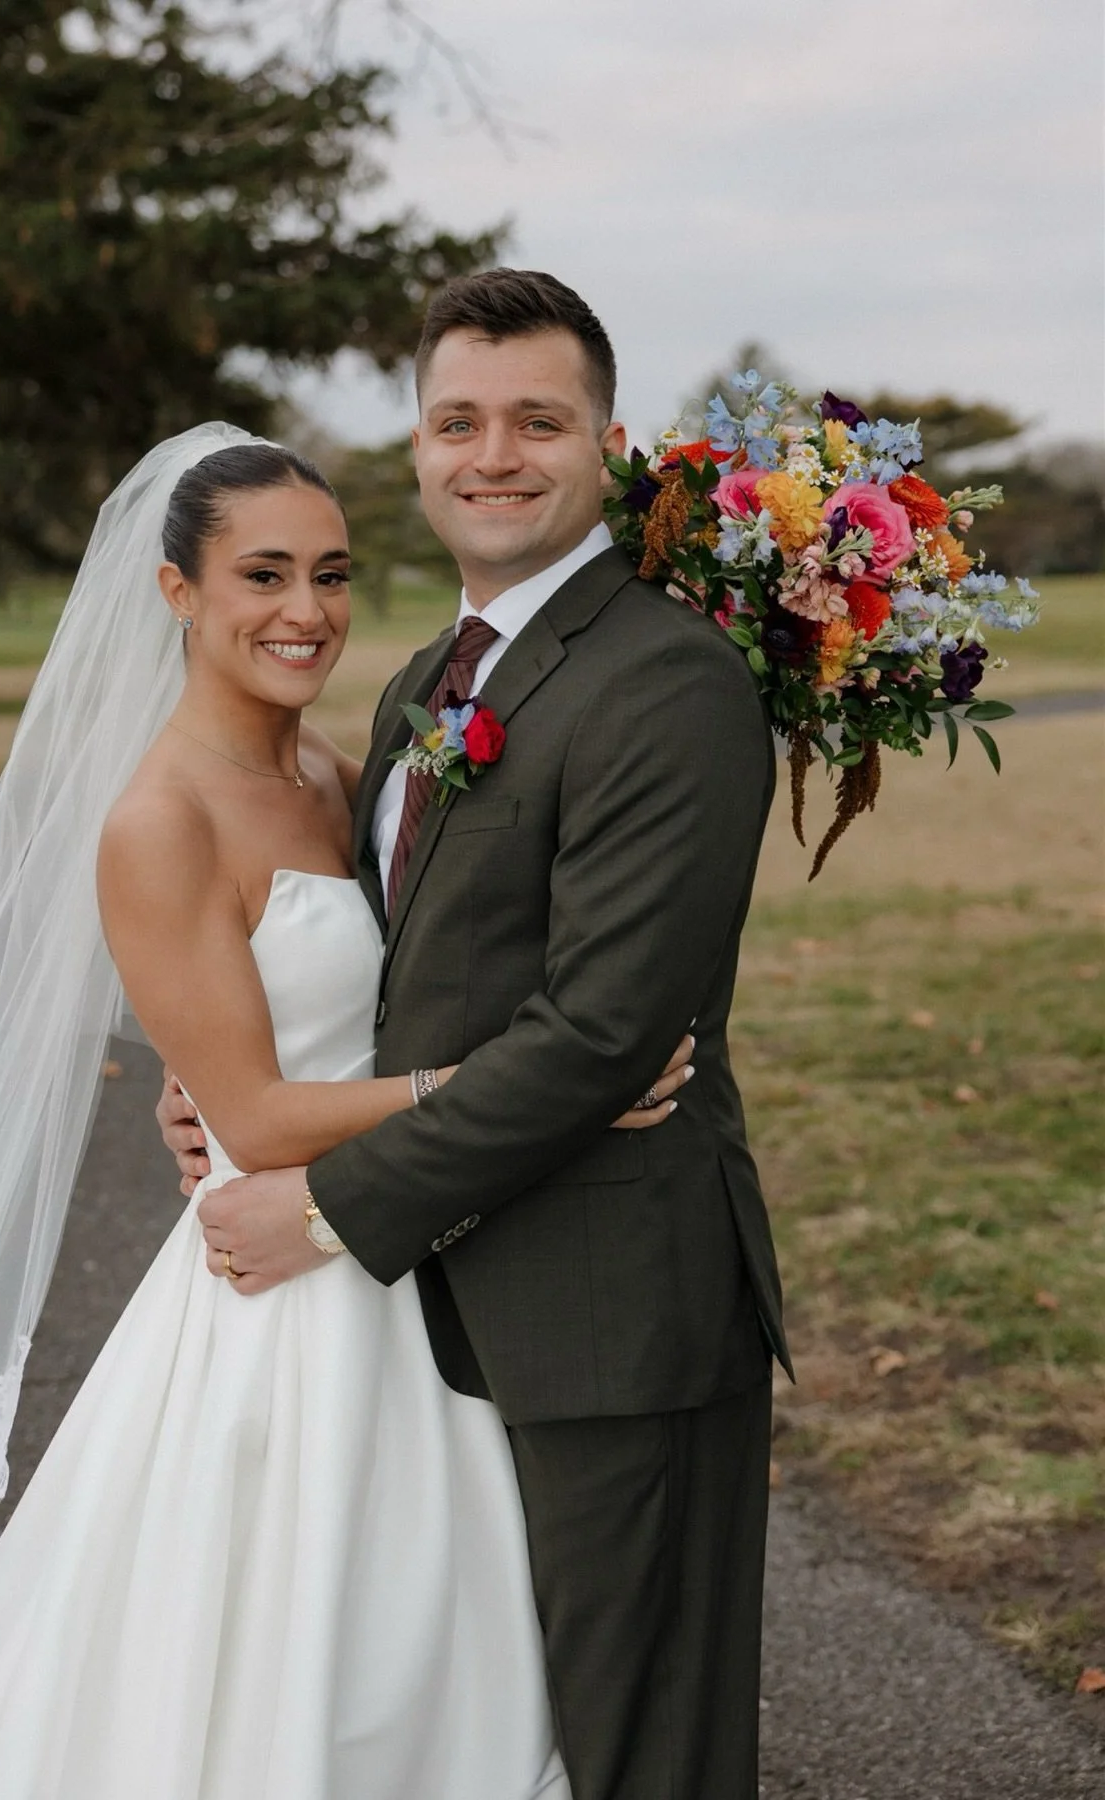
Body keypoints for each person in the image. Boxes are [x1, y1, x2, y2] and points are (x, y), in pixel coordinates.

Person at [0, 421, 685, 1800]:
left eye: (330, 574)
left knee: (442, 1633)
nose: (307, 612)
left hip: (414, 1254)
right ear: (175, 592)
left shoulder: (344, 772)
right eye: (262, 576)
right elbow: (256, 1118)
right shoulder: (159, 820)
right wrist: (541, 1088)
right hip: (285, 1295)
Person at [158, 268, 792, 1800]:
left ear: (605, 444)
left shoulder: (672, 682)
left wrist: (315, 1202)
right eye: (458, 420)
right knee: (472, 1740)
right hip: (423, 1325)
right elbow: (383, 974)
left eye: (536, 420)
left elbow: (599, 1040)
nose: (492, 454)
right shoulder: (417, 691)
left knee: (635, 1745)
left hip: (606, 1311)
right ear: (421, 445)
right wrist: (236, 1098)